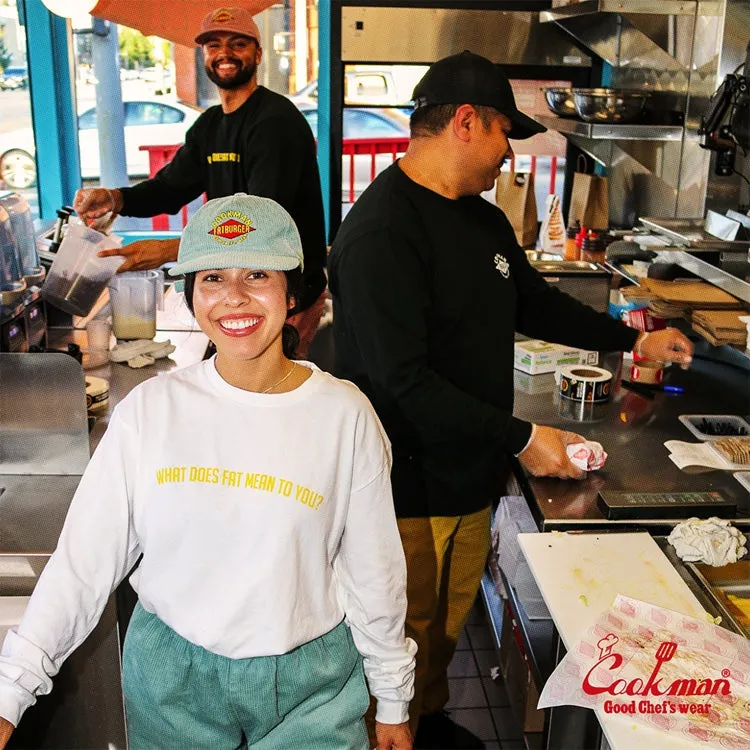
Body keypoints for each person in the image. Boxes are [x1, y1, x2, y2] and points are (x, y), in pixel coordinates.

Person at [327, 51, 693, 749]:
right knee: (394, 655)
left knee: (434, 647)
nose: (510, 153)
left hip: (467, 483)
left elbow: (536, 304)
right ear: (466, 122)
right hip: (406, 495)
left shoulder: (481, 219)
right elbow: (402, 381)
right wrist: (523, 436)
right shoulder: (381, 232)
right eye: (505, 134)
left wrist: (630, 340)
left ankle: (425, 728)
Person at [0, 193, 415, 750]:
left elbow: (374, 576)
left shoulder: (345, 416)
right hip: (173, 681)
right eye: (212, 277)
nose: (233, 297)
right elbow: (83, 565)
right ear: (190, 294)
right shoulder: (150, 412)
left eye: (257, 274)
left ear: (292, 291)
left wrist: (392, 698)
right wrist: (10, 692)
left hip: (309, 687)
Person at [73, 6, 327, 356]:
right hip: (238, 287)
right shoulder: (209, 126)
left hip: (285, 294)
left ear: (258, 53)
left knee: (269, 397)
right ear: (204, 55)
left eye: (238, 44)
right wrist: (115, 198)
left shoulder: (275, 122)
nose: (224, 54)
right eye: (213, 45)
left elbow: (261, 225)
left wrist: (170, 250)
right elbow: (169, 188)